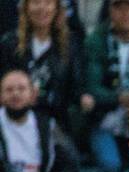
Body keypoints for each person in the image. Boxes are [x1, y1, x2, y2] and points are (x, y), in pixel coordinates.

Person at [84, 0, 129, 172]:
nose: (125, 13)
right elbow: (91, 87)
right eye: (118, 7)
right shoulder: (96, 40)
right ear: (110, 10)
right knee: (111, 165)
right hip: (105, 120)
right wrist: (119, 98)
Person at [0, 0, 88, 134]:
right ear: (26, 8)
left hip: (55, 122)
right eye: (36, 2)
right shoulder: (9, 43)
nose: (42, 8)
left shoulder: (71, 45)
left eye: (48, 2)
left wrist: (84, 98)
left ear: (57, 8)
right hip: (14, 122)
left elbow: (76, 87)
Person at [0, 65, 76, 172]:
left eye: (21, 89)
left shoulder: (48, 125)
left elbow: (70, 165)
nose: (15, 94)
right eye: (9, 90)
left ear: (33, 94)